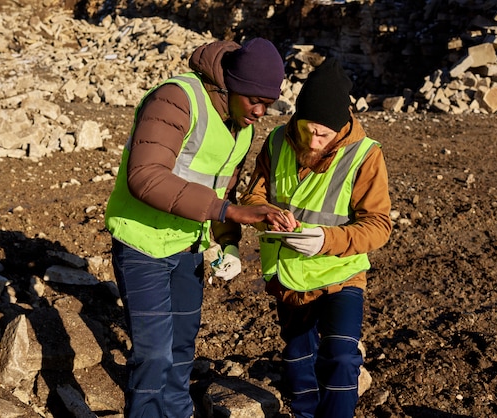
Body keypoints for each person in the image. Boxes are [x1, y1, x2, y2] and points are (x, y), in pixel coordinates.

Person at [104, 38, 293, 418]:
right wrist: (229, 212)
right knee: (154, 355)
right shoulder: (176, 99)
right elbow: (145, 176)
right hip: (143, 244)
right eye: (254, 100)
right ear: (230, 85)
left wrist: (229, 243)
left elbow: (223, 189)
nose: (260, 111)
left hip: (188, 247)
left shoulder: (241, 126)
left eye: (268, 104)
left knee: (180, 349)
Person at [240, 57, 392, 418]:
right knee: (297, 357)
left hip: (341, 273)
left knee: (340, 356)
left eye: (323, 134)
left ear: (341, 127)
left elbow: (379, 225)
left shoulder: (365, 155)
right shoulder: (278, 140)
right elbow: (252, 197)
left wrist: (325, 240)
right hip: (288, 274)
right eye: (308, 128)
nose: (313, 139)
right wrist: (268, 215)